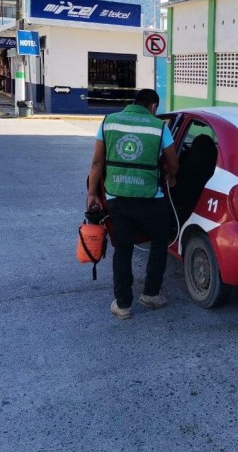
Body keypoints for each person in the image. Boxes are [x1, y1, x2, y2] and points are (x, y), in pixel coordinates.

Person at [86, 89, 179, 320]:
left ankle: (124, 304)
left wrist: (92, 194)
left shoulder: (109, 121)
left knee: (123, 249)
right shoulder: (159, 127)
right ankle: (150, 294)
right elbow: (173, 161)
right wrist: (173, 177)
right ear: (153, 107)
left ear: (133, 102)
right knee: (159, 243)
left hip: (117, 196)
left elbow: (97, 162)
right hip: (151, 198)